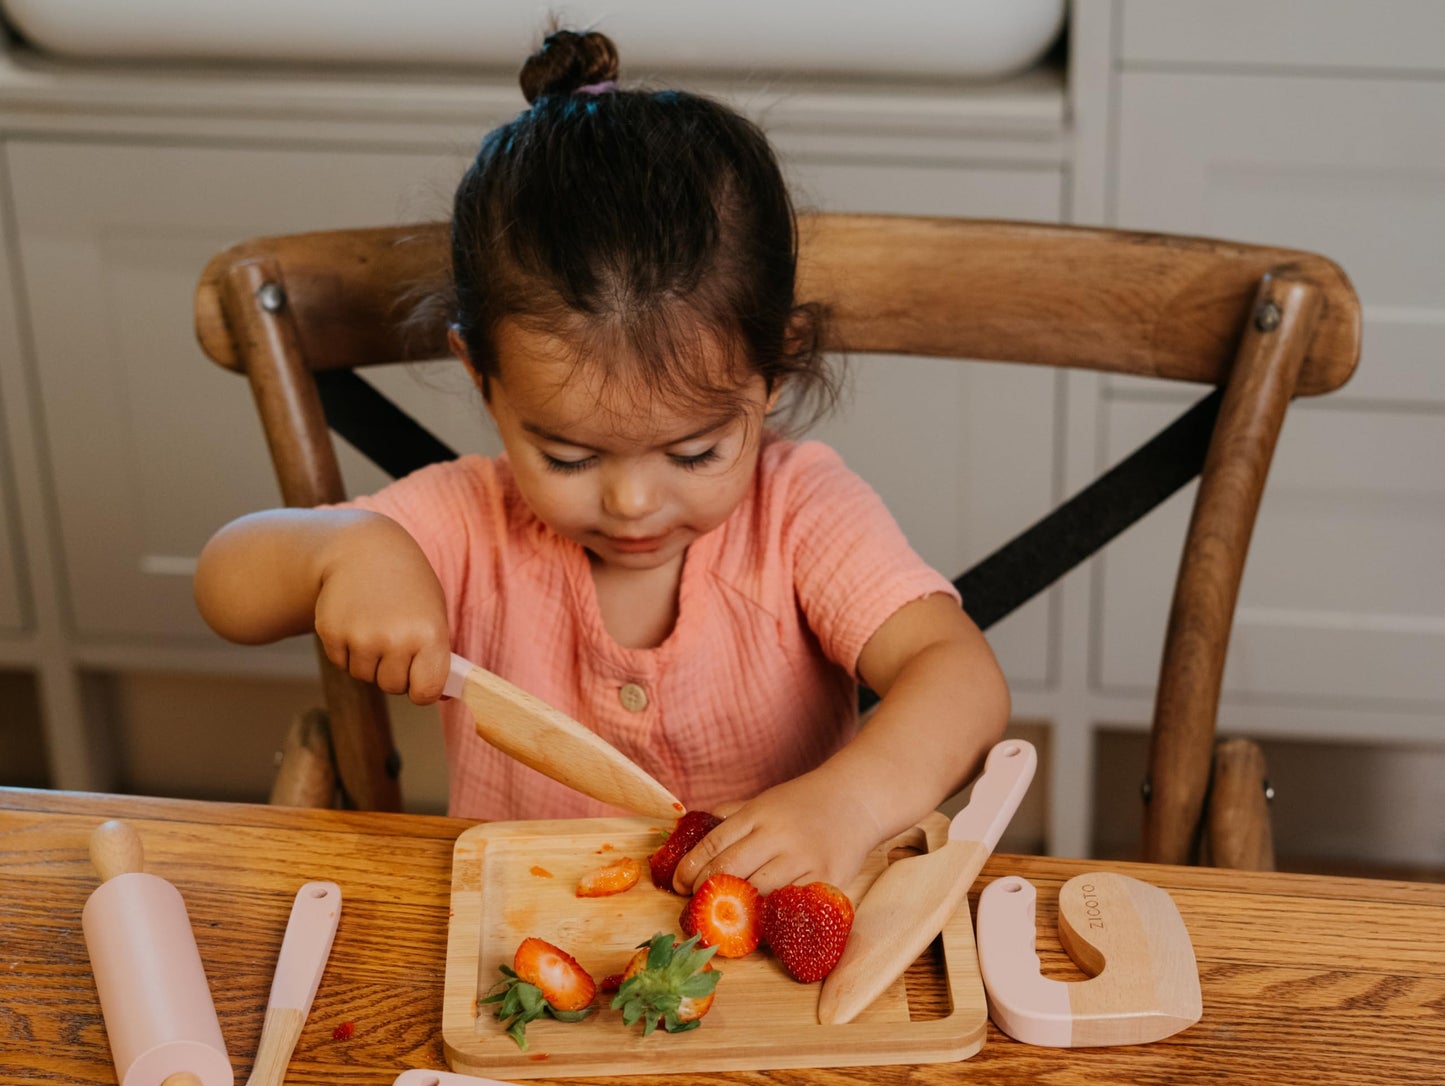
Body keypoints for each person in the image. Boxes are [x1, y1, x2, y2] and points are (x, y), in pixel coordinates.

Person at [194, 28, 1009, 896]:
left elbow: (959, 679)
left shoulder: (800, 511)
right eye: (569, 454)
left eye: (695, 451)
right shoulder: (466, 523)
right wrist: (342, 552)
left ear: (774, 367)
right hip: (527, 955)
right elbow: (226, 589)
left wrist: (847, 805)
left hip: (771, 958)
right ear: (483, 375)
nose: (630, 501)